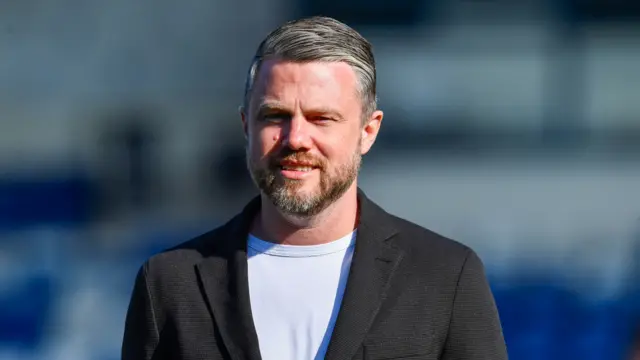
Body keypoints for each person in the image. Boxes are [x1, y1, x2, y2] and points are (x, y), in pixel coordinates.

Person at [121, 16, 507, 360]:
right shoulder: (170, 284)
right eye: (276, 116)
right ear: (246, 126)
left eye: (321, 118)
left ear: (367, 131)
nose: (296, 138)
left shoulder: (444, 277)